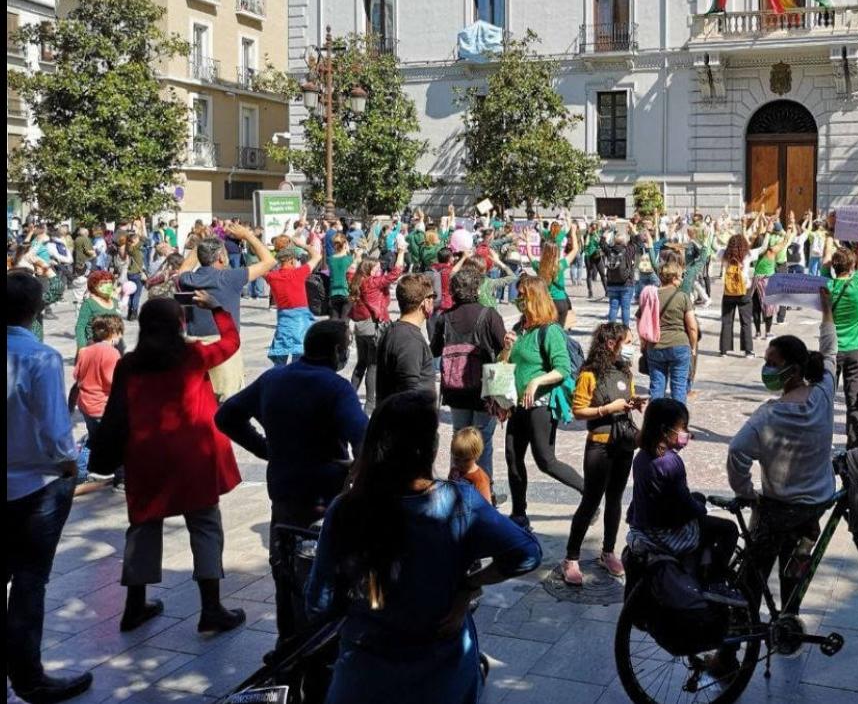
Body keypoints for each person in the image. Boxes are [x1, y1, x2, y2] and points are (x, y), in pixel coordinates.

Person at [305, 391, 542, 704]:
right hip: (442, 678)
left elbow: (318, 604)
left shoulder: (346, 509)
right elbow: (527, 553)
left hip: (364, 678)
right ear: (430, 449)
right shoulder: (460, 502)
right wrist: (469, 585)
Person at [88, 294, 246, 635]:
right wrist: (217, 309)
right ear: (179, 324)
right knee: (205, 525)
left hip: (145, 455)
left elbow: (117, 412)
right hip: (193, 454)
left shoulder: (129, 364)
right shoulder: (193, 356)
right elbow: (231, 343)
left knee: (143, 527)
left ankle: (134, 606)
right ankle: (211, 607)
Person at [215, 319, 368, 653]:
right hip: (325, 497)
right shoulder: (336, 387)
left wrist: (266, 449)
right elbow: (365, 440)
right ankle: (326, 642)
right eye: (346, 347)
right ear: (337, 351)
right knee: (330, 570)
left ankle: (289, 640)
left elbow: (226, 416)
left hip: (284, 493)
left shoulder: (273, 378)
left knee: (284, 568)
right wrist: (353, 473)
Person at [7, 272, 95, 704]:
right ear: (37, 310)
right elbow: (54, 428)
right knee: (29, 580)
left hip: (27, 479)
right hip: (34, 482)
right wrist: (69, 465)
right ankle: (28, 676)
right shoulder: (38, 357)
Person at [727, 302, 838, 614]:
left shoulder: (767, 416)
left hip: (777, 508)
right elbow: (830, 353)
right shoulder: (823, 394)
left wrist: (746, 492)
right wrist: (827, 312)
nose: (767, 369)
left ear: (795, 369)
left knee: (753, 575)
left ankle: (742, 628)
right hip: (815, 504)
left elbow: (737, 451)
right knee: (794, 565)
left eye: (772, 363)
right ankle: (789, 618)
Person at [626, 398, 741, 604]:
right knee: (729, 529)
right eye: (683, 428)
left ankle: (701, 562)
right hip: (667, 533)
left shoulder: (641, 457)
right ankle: (715, 582)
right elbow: (686, 502)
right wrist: (701, 510)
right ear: (665, 431)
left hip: (645, 525)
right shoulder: (670, 462)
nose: (686, 433)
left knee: (699, 498)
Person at [499, 275, 585, 530]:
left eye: (522, 296)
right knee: (513, 456)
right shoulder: (519, 328)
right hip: (518, 405)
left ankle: (588, 493)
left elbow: (562, 369)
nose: (518, 300)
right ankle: (519, 513)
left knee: (546, 461)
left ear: (534, 298)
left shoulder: (550, 330)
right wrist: (506, 349)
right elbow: (505, 364)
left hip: (541, 405)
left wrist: (536, 382)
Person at [563, 322, 645, 586]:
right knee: (590, 500)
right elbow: (578, 411)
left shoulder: (624, 371)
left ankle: (608, 551)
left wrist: (634, 404)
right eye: (628, 342)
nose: (632, 347)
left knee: (615, 499)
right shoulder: (589, 374)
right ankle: (571, 557)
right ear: (611, 344)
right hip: (599, 445)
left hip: (624, 443)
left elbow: (626, 399)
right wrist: (606, 409)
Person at [431, 267, 507, 497]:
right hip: (484, 387)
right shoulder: (488, 315)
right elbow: (503, 348)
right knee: (482, 440)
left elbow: (435, 350)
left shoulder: (445, 318)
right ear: (477, 289)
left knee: (459, 437)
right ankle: (485, 491)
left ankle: (457, 489)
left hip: (455, 388)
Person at [179, 223, 277, 400]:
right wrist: (247, 235)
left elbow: (184, 268)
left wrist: (200, 243)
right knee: (228, 400)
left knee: (199, 400)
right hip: (223, 345)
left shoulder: (187, 279)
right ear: (221, 258)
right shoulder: (230, 278)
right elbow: (270, 261)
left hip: (194, 345)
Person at [828, 224, 858, 447]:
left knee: (826, 397)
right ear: (852, 266)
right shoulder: (857, 284)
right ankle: (854, 443)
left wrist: (830, 232)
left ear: (833, 266)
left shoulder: (826, 286)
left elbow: (826, 259)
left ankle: (822, 438)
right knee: (853, 399)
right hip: (856, 350)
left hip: (831, 350)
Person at [348, 249, 406, 415]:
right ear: (369, 270)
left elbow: (349, 271)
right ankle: (370, 404)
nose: (380, 271)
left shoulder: (355, 280)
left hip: (360, 327)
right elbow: (395, 274)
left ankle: (350, 396)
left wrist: (356, 257)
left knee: (361, 363)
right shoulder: (371, 283)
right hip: (373, 326)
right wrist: (401, 252)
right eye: (377, 269)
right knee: (373, 366)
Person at [72, 315, 125, 486]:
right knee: (119, 442)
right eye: (120, 333)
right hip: (102, 407)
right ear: (113, 332)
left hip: (85, 405)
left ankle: (80, 473)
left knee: (93, 439)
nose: (120, 338)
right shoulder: (112, 353)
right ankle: (121, 479)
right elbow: (113, 381)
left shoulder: (85, 351)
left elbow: (77, 375)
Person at [376, 273, 437, 403]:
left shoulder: (393, 331)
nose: (434, 301)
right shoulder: (410, 341)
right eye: (433, 296)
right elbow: (409, 394)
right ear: (425, 302)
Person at [643, 259, 698, 403]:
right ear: (673, 278)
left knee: (656, 386)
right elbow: (692, 327)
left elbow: (642, 321)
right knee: (679, 387)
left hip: (655, 345)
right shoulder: (682, 297)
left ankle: (655, 416)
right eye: (680, 277)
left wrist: (644, 344)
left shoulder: (651, 297)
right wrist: (693, 346)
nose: (681, 280)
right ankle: (678, 417)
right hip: (679, 345)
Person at [265, 239, 323, 366]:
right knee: (299, 361)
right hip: (301, 323)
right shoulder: (300, 272)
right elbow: (317, 256)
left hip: (284, 324)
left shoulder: (272, 277)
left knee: (279, 364)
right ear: (292, 260)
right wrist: (302, 244)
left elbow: (263, 266)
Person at [719, 231, 763, 357]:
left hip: (729, 291)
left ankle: (724, 350)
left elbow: (717, 249)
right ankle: (748, 351)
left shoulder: (723, 254)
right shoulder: (747, 255)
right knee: (746, 321)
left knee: (727, 321)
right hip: (744, 291)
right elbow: (762, 248)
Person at [536, 225, 579, 326]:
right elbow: (575, 249)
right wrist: (573, 232)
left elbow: (530, 255)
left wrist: (528, 241)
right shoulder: (560, 265)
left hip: (546, 302)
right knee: (559, 330)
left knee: (547, 329)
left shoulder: (539, 266)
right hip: (561, 301)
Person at [601, 228, 640, 328]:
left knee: (613, 308)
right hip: (626, 283)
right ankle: (625, 329)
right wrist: (632, 229)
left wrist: (607, 230)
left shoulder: (609, 251)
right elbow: (637, 240)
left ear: (614, 241)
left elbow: (602, 243)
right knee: (625, 308)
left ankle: (611, 329)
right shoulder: (628, 250)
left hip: (612, 284)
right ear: (624, 242)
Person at [74, 270, 122, 351]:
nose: (108, 285)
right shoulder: (89, 303)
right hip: (95, 345)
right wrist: (81, 347)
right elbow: (80, 327)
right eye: (104, 283)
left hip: (114, 345)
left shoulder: (114, 301)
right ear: (95, 286)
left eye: (110, 282)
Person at [449, 427, 492, 504]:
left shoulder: (480, 480)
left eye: (466, 460)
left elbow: (486, 507)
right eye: (456, 459)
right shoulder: (454, 471)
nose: (461, 464)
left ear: (476, 456)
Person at [326, 234, 356, 321]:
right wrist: (348, 251)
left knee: (334, 321)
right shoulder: (349, 259)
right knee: (344, 321)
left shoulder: (330, 259)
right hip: (346, 292)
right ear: (345, 244)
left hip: (333, 293)